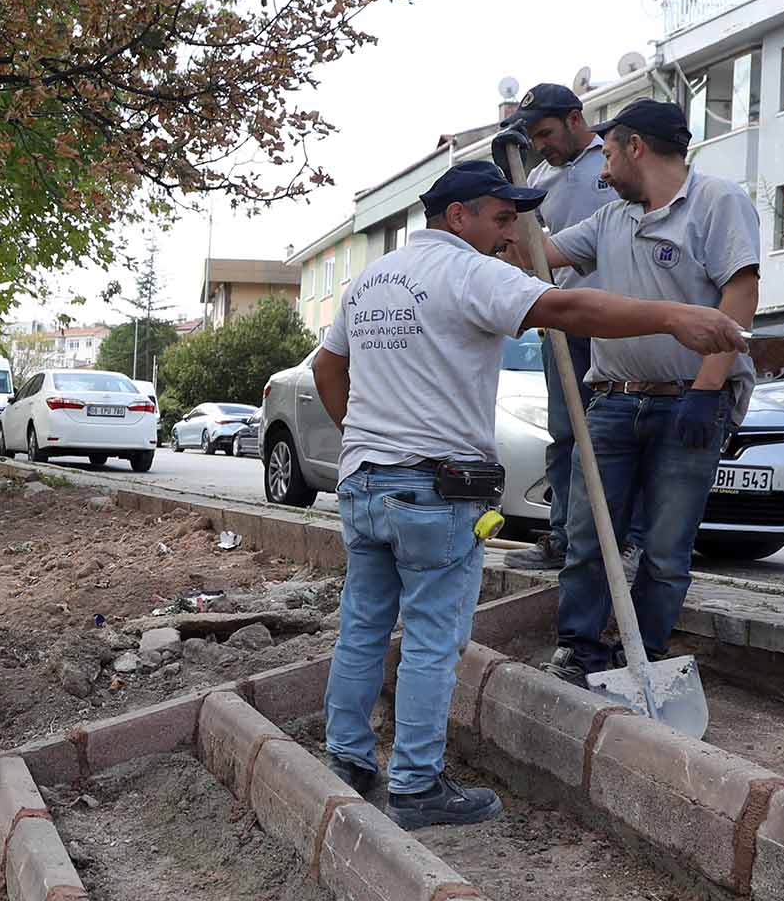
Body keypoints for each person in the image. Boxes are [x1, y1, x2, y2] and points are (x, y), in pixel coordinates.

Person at [312, 159, 750, 828]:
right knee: (433, 638)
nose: (509, 233)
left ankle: (347, 758)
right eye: (498, 217)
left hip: (367, 483)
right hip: (435, 488)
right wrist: (673, 317)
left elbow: (326, 364)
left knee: (365, 625)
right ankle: (417, 785)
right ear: (457, 216)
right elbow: (568, 307)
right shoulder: (467, 272)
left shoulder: (369, 282)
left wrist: (363, 438)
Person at [536, 97, 763, 688]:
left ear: (636, 147)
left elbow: (738, 296)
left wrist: (708, 390)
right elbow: (542, 256)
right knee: (589, 538)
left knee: (665, 550)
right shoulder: (611, 219)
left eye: (608, 154)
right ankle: (580, 651)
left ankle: (647, 657)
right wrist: (509, 208)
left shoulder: (717, 202)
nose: (603, 170)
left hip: (687, 403)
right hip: (612, 401)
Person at [495, 83, 614, 575]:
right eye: (533, 138)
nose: (541, 145)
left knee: (613, 436)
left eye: (545, 132)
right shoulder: (538, 179)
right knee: (565, 434)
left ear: (574, 118)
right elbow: (528, 253)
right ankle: (563, 539)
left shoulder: (611, 165)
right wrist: (510, 194)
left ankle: (618, 542)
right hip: (565, 322)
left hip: (619, 320)